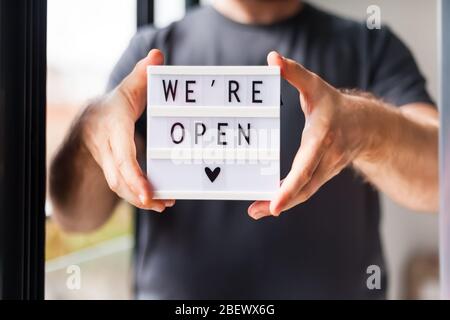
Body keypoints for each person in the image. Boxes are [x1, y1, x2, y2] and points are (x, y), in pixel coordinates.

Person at [49, 0, 439, 299]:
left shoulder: (371, 46)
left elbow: (439, 181)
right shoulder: (149, 52)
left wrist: (368, 129)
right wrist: (88, 135)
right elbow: (75, 218)